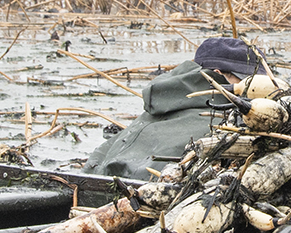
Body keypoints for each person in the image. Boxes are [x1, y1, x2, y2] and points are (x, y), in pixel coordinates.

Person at [83, 36, 269, 182]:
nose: (254, 90)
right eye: (249, 80)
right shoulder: (225, 122)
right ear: (217, 75)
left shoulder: (159, 104)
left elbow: (92, 167)